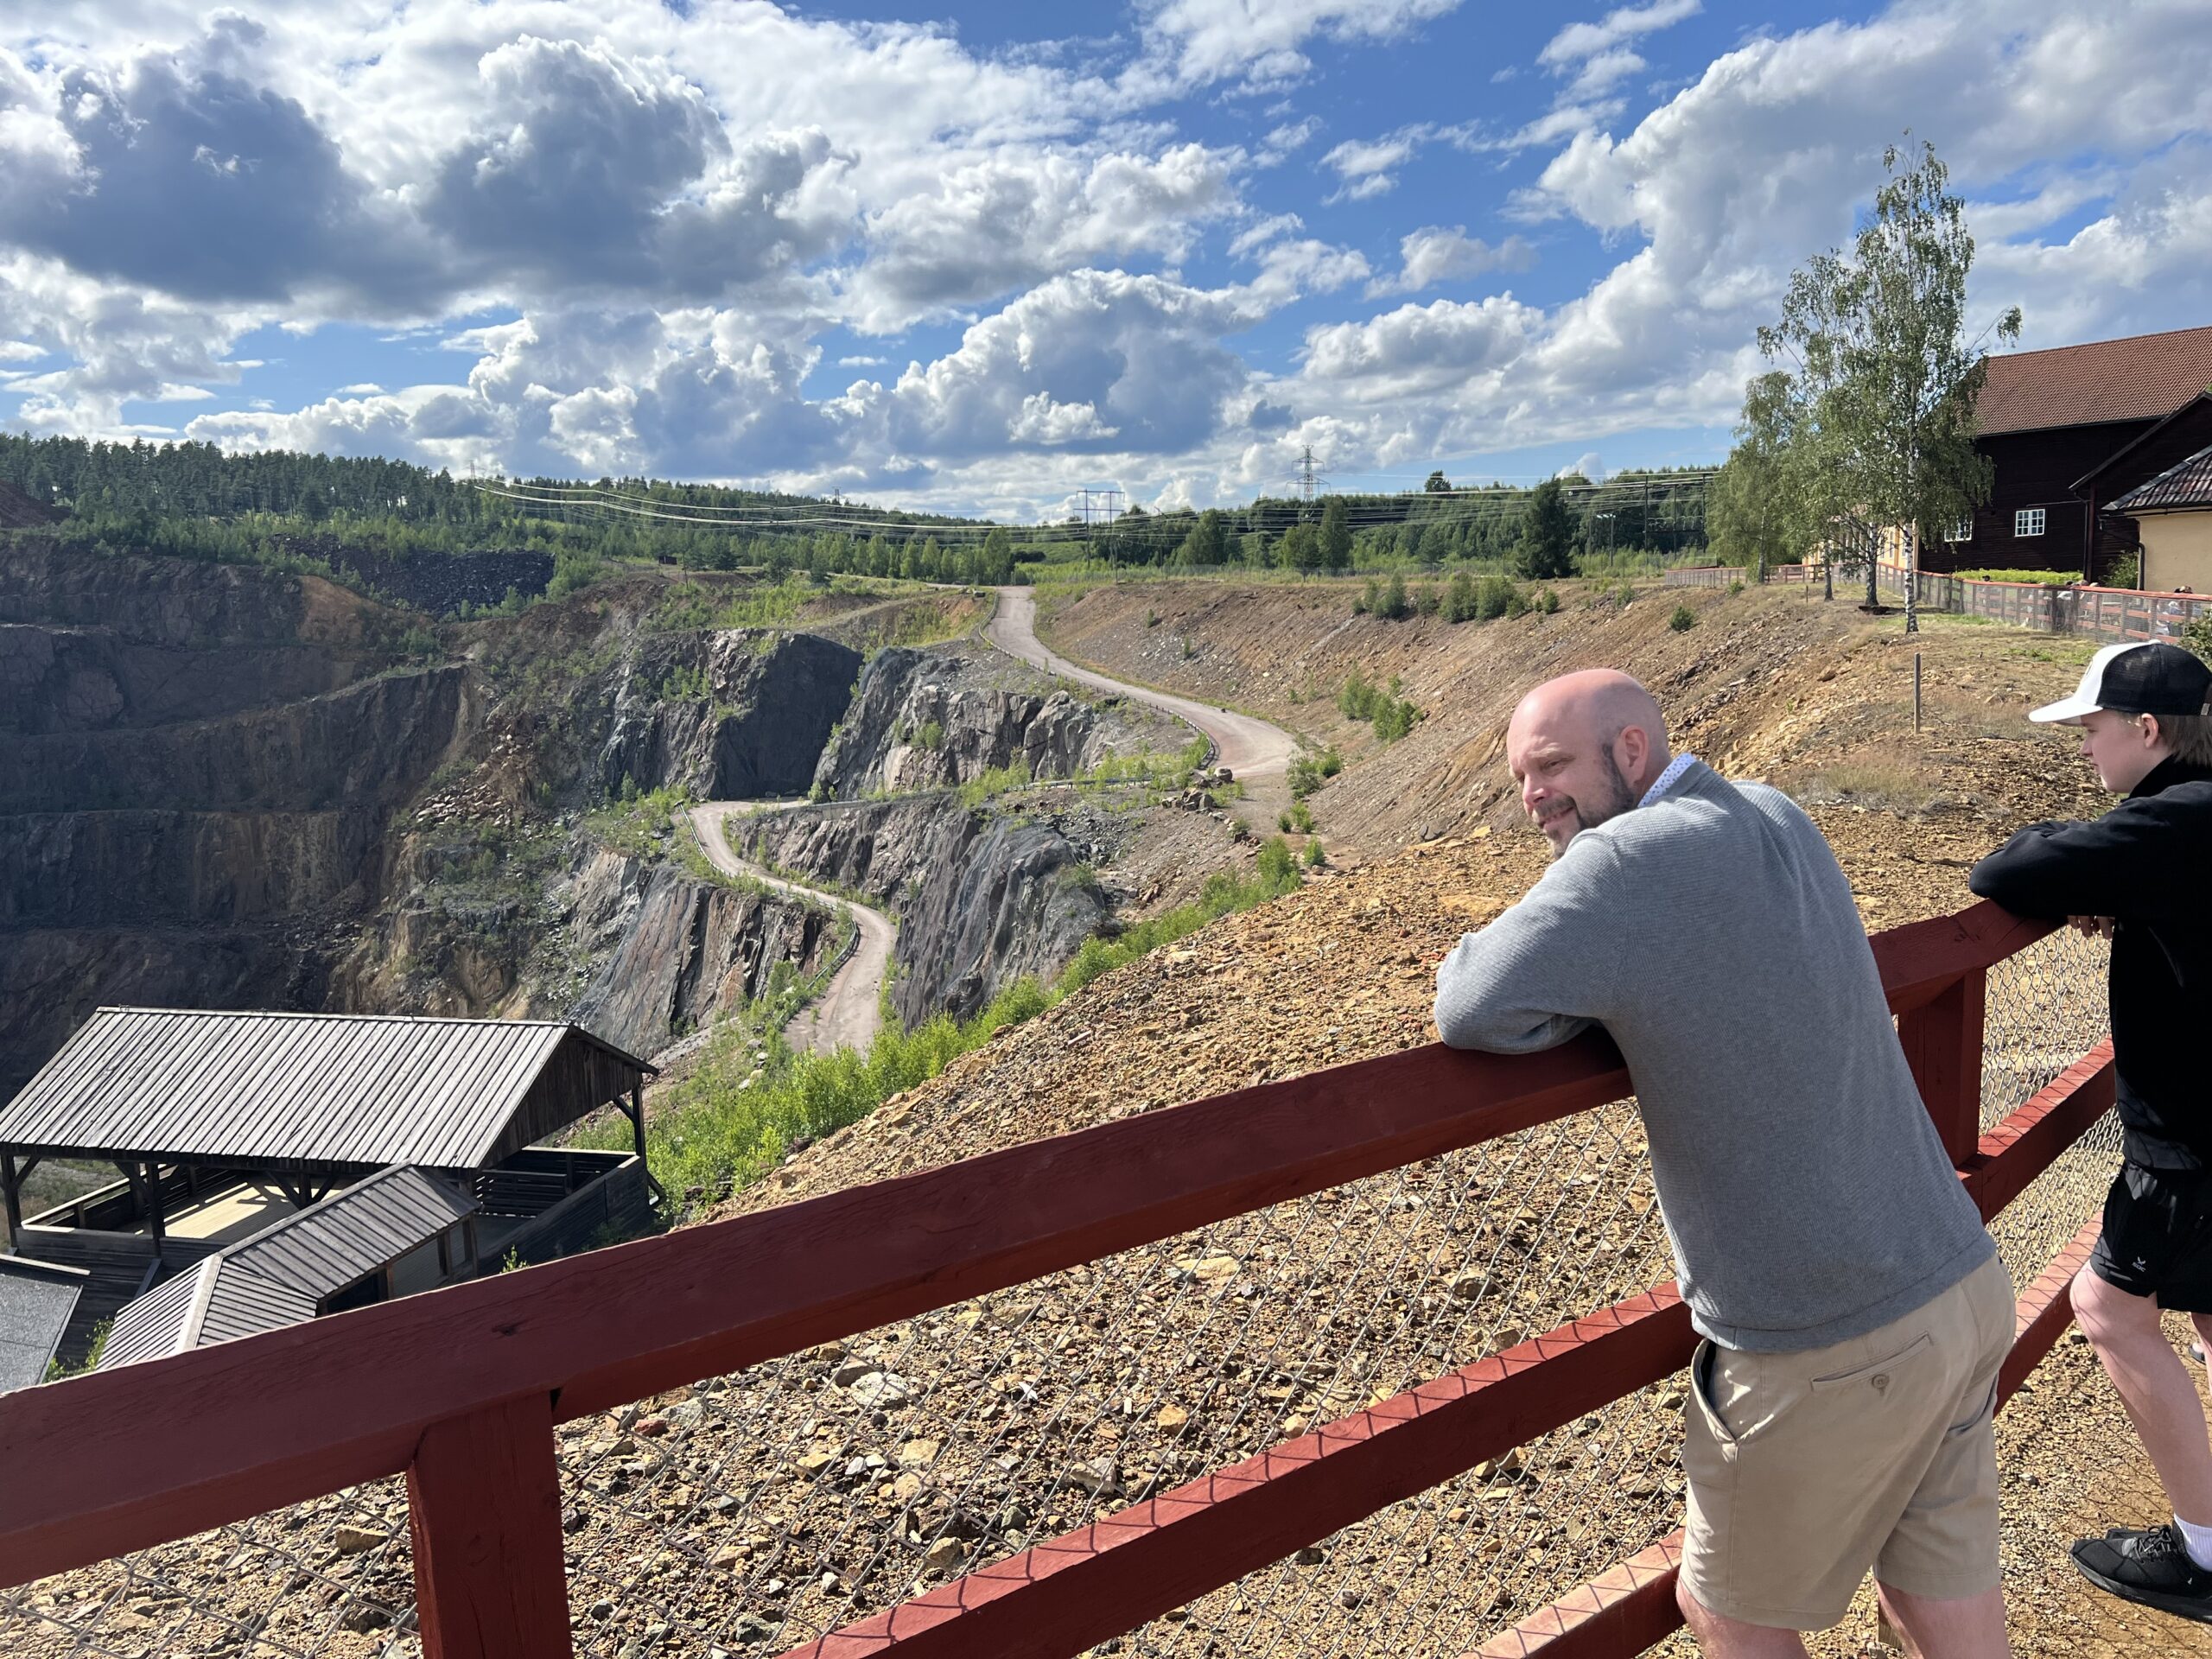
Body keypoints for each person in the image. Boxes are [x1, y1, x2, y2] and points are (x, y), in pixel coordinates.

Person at [1434, 669, 2013, 1658]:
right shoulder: (1775, 812)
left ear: (1629, 751)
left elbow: (1472, 1004)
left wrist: (1476, 958)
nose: (1532, 796)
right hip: (1955, 1282)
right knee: (1937, 1592)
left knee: (1732, 1615)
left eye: (1550, 766)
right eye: (1521, 778)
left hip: (1829, 1337)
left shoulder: (1622, 860)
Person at [1967, 639, 2212, 1624]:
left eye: (2093, 729)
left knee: (2106, 1309)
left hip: (2192, 1147)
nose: (2083, 750)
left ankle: (2202, 1553)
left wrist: (2111, 874)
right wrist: (2132, 900)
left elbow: (2008, 866)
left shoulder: (2172, 826)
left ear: (2145, 731)